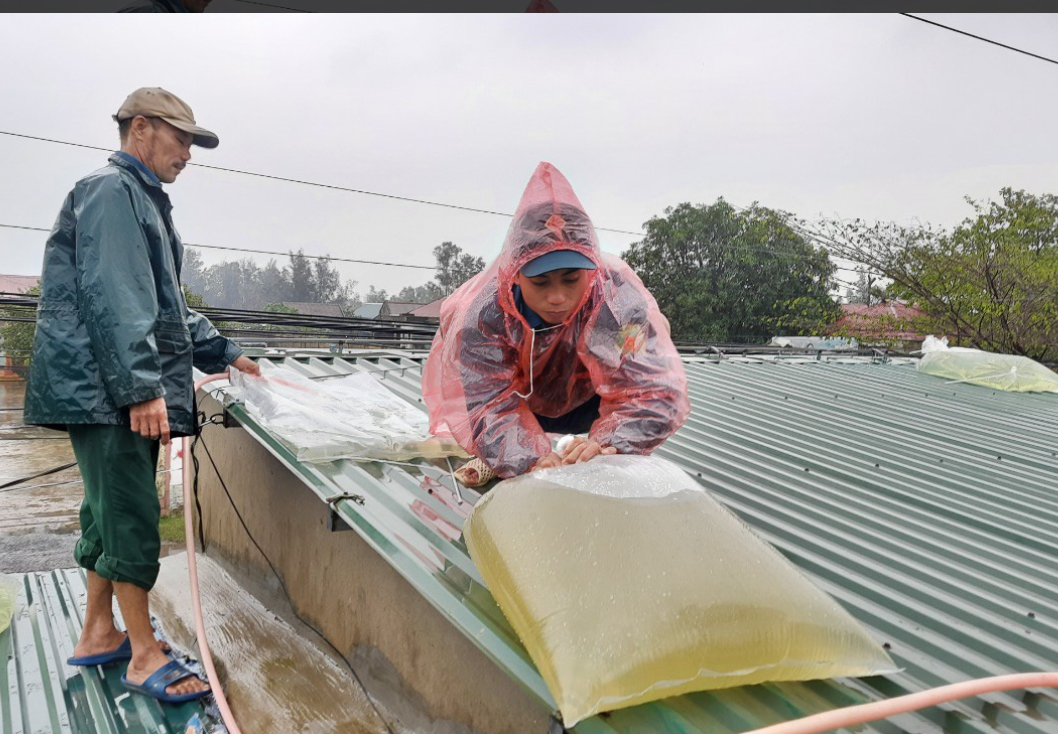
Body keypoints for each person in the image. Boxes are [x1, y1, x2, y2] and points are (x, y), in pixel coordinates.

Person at [23, 87, 260, 703]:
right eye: (181, 139)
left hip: (105, 388)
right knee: (130, 514)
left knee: (105, 510)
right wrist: (139, 389)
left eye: (192, 143)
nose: (188, 153)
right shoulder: (114, 191)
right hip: (111, 390)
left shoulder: (139, 199)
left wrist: (227, 352)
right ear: (142, 130)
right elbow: (117, 295)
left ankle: (100, 631)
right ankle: (142, 656)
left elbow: (165, 306)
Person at [423, 162, 689, 483]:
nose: (558, 297)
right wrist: (528, 458)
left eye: (571, 279)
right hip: (520, 404)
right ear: (515, 274)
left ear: (589, 271)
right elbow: (486, 404)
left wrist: (610, 444)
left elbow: (654, 390)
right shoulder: (482, 318)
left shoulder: (620, 307)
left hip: (594, 404)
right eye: (542, 282)